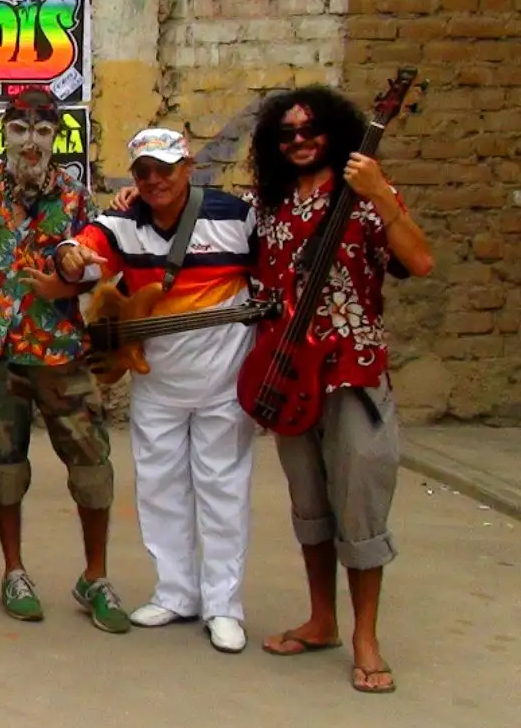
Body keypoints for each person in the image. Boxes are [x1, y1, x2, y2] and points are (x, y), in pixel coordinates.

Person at [246, 87, 432, 694]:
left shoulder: (365, 197)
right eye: (287, 134)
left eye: (311, 130)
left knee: (361, 503)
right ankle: (322, 619)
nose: (299, 141)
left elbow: (420, 264)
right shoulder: (270, 206)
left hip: (351, 371)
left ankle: (366, 637)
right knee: (310, 504)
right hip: (287, 374)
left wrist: (380, 192)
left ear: (335, 131)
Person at [50, 128, 259, 654]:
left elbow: (272, 273)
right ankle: (176, 592)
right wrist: (70, 256)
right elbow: (82, 247)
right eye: (143, 171)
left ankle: (223, 605)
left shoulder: (236, 217)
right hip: (156, 380)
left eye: (164, 169)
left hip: (223, 382)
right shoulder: (123, 222)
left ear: (188, 166)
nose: (154, 180)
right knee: (160, 488)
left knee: (222, 490)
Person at [0, 88, 129, 633]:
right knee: (4, 466)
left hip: (61, 351)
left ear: (58, 136)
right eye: (20, 131)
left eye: (43, 132)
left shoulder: (77, 198)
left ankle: (96, 576)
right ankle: (14, 571)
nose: (31, 144)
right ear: (4, 132)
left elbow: (103, 266)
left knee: (90, 463)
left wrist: (69, 280)